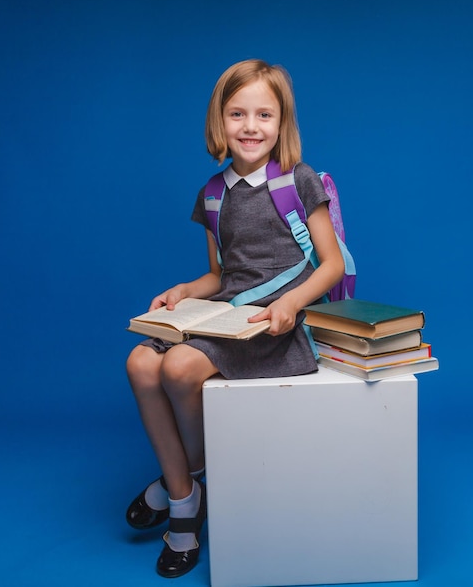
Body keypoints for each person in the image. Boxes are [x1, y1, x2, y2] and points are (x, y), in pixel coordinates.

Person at [125, 58, 345, 579]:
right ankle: (185, 494)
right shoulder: (213, 193)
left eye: (264, 115)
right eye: (237, 114)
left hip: (275, 326)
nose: (250, 127)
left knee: (178, 368)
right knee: (140, 362)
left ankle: (188, 492)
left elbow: (330, 263)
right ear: (219, 122)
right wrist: (183, 291)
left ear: (281, 123)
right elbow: (221, 276)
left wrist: (291, 303)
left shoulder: (299, 181)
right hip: (230, 316)